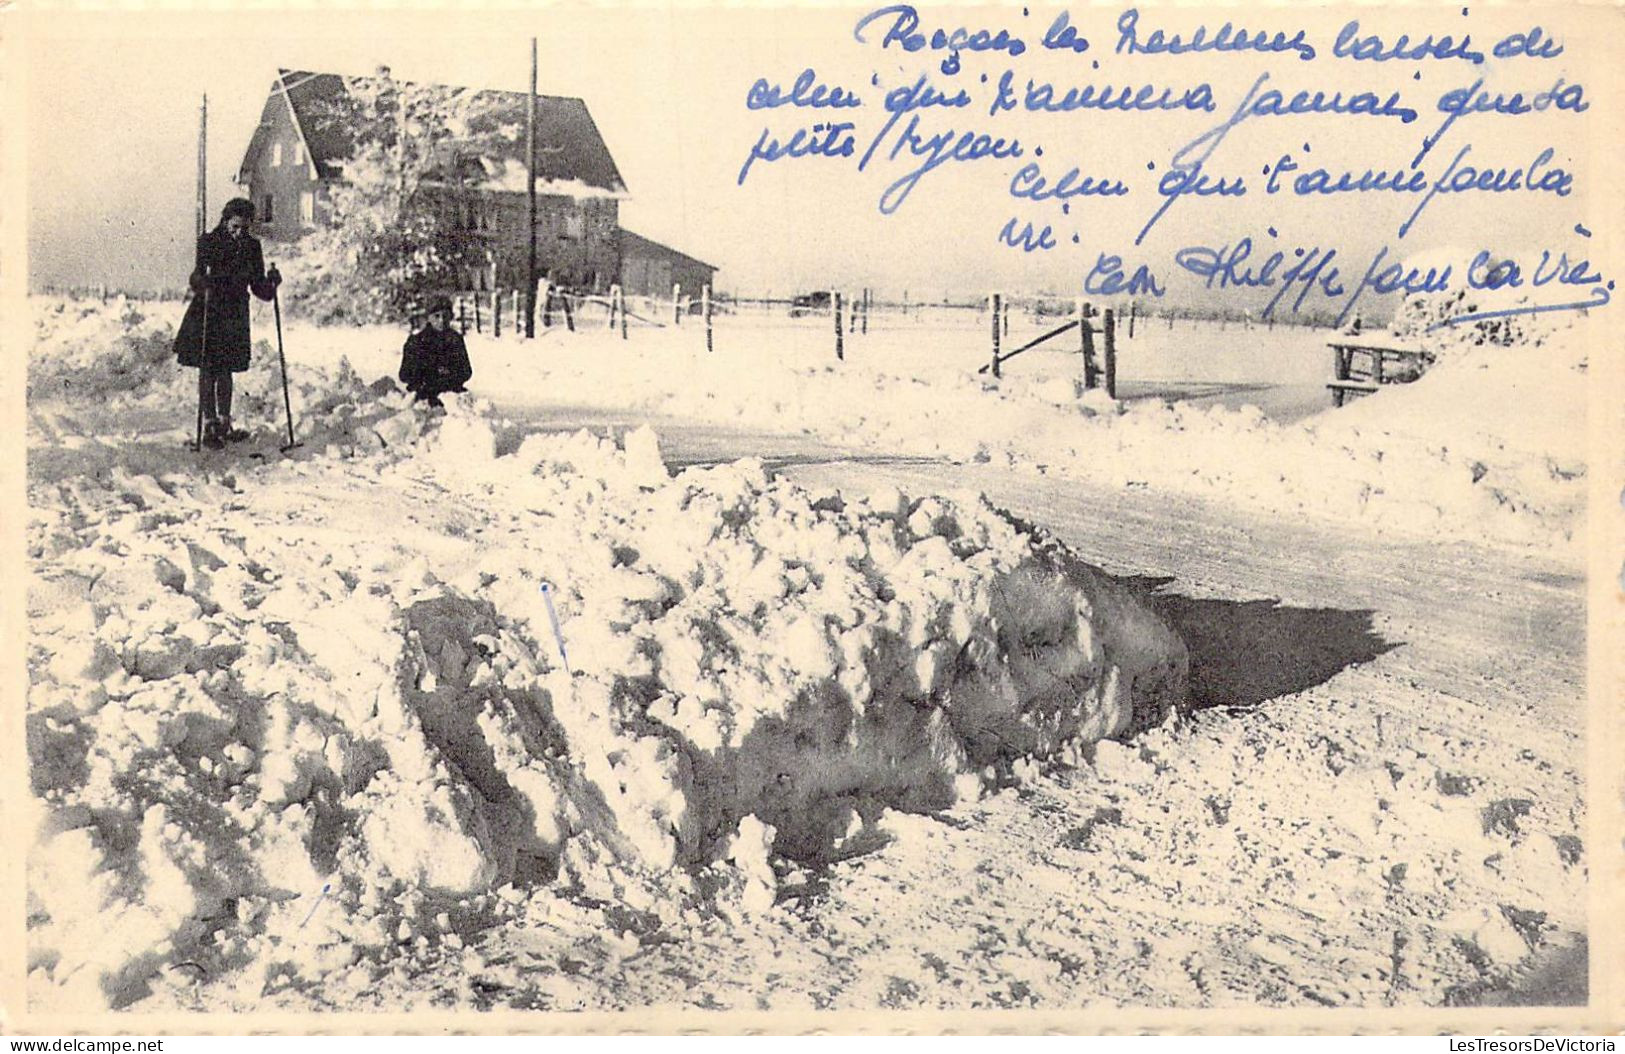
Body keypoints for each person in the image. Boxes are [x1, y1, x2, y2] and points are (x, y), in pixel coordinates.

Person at [173, 198, 280, 448]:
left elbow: (259, 288)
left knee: (226, 369)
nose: (239, 232)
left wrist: (273, 283)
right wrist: (202, 281)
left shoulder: (252, 247)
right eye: (234, 227)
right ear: (225, 220)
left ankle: (223, 421)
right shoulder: (208, 242)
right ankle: (209, 422)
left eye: (244, 228)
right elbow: (196, 276)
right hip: (209, 310)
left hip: (234, 314)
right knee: (208, 368)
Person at [399, 296, 473, 407]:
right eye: (436, 316)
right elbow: (404, 375)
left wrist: (449, 373)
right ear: (428, 318)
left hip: (450, 394)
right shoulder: (417, 341)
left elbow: (466, 371)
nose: (441, 320)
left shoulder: (455, 340)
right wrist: (430, 372)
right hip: (423, 396)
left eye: (445, 316)